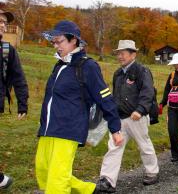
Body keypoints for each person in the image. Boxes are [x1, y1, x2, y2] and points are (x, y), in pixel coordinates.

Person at [35, 20, 123, 194]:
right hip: (48, 128)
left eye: (59, 41)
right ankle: (90, 189)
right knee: (44, 171)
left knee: (57, 180)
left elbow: (104, 97)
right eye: (53, 42)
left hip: (68, 129)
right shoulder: (59, 65)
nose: (55, 46)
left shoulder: (87, 66)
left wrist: (115, 128)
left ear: (73, 40)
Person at [97, 40, 159, 192]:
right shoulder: (118, 73)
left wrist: (140, 110)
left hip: (136, 117)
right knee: (113, 147)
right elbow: (116, 95)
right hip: (119, 118)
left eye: (123, 53)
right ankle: (107, 180)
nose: (120, 56)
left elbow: (148, 92)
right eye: (118, 53)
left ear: (133, 54)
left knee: (144, 145)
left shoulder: (142, 71)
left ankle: (152, 172)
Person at [0, 5, 29, 189]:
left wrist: (22, 104)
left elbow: (19, 77)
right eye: (0, 21)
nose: (3, 25)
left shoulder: (7, 50)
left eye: (4, 23)